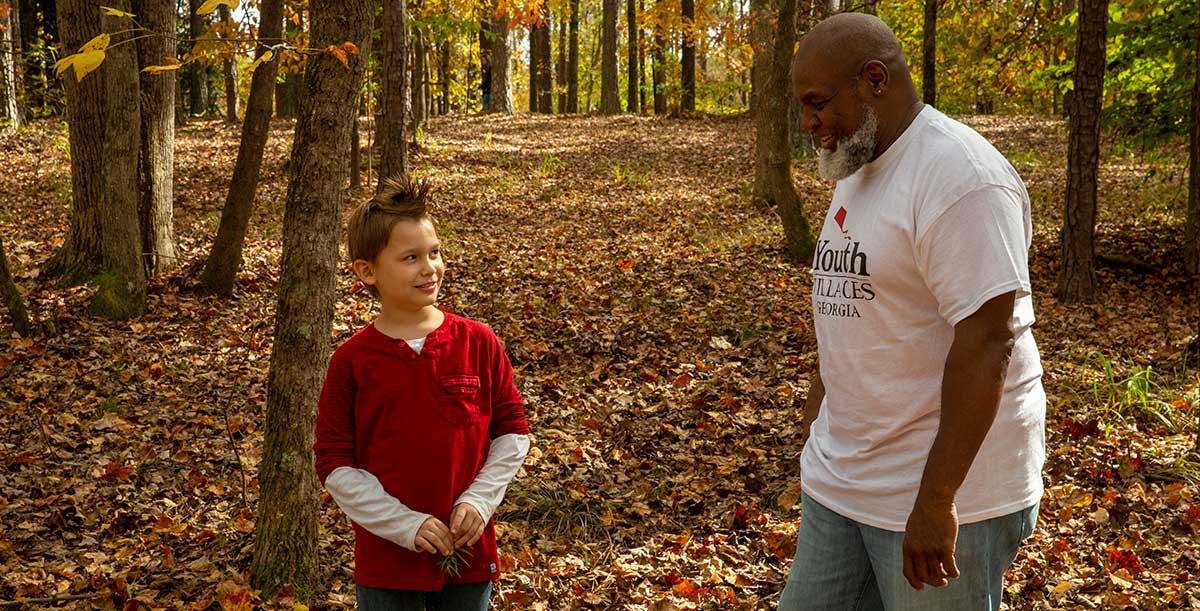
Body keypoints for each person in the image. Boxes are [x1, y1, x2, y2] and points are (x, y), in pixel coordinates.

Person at [778, 13, 1045, 611]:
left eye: (817, 103)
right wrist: (819, 425)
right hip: (844, 480)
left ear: (875, 79)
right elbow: (852, 306)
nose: (808, 123)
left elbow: (989, 340)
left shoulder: (961, 180)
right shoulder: (860, 162)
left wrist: (937, 498)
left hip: (945, 496)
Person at [314, 176, 531, 611]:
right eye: (411, 257)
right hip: (387, 564)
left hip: (467, 554)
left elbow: (513, 434)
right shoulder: (352, 361)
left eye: (434, 253)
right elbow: (335, 464)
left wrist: (479, 500)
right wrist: (405, 525)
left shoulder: (478, 341)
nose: (429, 267)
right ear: (367, 271)